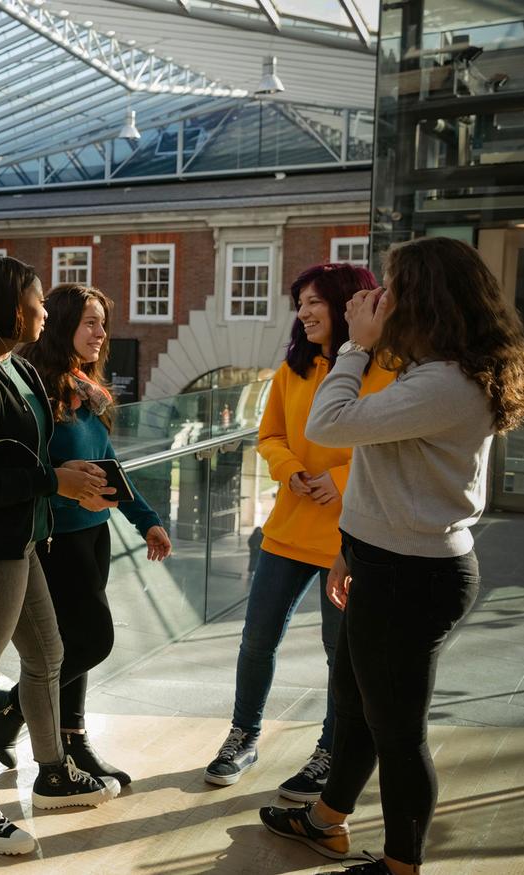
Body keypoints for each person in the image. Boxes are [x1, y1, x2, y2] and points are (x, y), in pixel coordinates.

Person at [259, 237, 524, 875]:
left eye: (389, 287)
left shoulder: (443, 382)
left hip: (412, 576)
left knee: (398, 733)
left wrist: (356, 344)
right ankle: (325, 821)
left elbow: (327, 427)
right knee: (356, 703)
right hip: (384, 560)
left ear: (421, 297)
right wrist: (350, 552)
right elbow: (383, 474)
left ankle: (399, 866)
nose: (377, 299)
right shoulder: (431, 369)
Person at [0, 256, 118, 856]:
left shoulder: (17, 370)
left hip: (23, 539)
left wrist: (65, 476)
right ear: (11, 310)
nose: (43, 312)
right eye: (36, 303)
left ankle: (54, 771)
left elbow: (34, 454)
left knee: (49, 655)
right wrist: (52, 482)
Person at [204, 263, 395, 799]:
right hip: (287, 528)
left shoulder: (389, 370)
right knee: (257, 639)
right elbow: (269, 435)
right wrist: (290, 470)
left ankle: (331, 752)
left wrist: (341, 479)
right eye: (300, 304)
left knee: (341, 655)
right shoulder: (294, 368)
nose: (304, 312)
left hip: (350, 537)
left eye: (314, 302)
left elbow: (393, 446)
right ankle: (243, 736)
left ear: (347, 303)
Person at [0, 284, 172, 786]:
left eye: (102, 322)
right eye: (90, 321)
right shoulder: (35, 391)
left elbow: (109, 465)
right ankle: (13, 709)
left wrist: (146, 518)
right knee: (93, 640)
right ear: (64, 323)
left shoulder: (86, 390)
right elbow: (32, 473)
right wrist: (65, 490)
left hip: (94, 532)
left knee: (70, 645)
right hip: (55, 538)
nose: (101, 332)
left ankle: (72, 738)